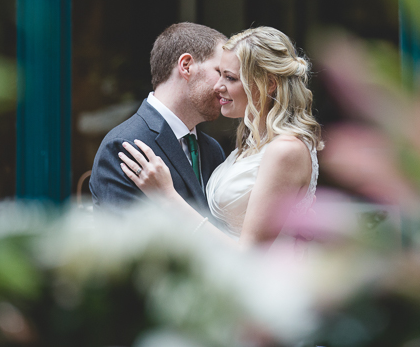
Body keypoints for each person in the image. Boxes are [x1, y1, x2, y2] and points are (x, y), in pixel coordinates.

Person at [118, 26, 321, 249]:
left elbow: (249, 257)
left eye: (230, 77)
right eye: (220, 74)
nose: (218, 86)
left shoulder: (286, 151)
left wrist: (169, 197)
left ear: (269, 84)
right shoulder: (249, 145)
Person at [89, 22, 227, 213]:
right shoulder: (125, 146)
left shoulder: (213, 150)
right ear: (186, 66)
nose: (224, 86)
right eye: (220, 72)